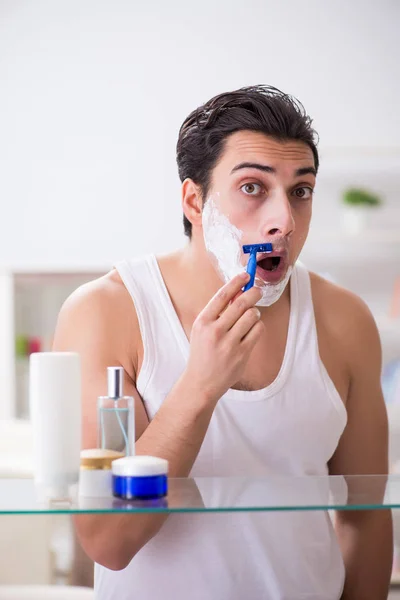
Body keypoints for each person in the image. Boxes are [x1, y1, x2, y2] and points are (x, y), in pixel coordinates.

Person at [53, 85, 392, 599]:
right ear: (195, 200)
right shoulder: (107, 311)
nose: (284, 221)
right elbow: (110, 541)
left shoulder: (344, 320)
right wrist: (199, 386)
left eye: (300, 190)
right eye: (254, 188)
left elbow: (365, 519)